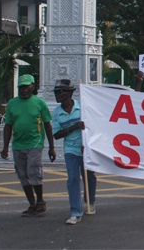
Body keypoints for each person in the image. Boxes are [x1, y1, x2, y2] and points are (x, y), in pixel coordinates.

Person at [1, 74, 56, 217]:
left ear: (33, 86)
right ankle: (32, 204)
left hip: (35, 143)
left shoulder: (39, 103)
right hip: (18, 145)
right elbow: (8, 126)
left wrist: (51, 147)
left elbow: (47, 125)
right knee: (23, 175)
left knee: (34, 172)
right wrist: (5, 147)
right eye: (21, 87)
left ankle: (41, 201)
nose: (24, 90)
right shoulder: (12, 104)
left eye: (26, 87)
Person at [51, 79, 97, 224]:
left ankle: (91, 200)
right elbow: (56, 134)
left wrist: (87, 143)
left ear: (69, 93)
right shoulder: (57, 113)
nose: (57, 95)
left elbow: (92, 126)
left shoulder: (82, 107)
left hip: (84, 148)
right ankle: (75, 212)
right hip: (70, 149)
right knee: (73, 180)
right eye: (56, 92)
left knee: (89, 177)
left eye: (60, 92)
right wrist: (73, 127)